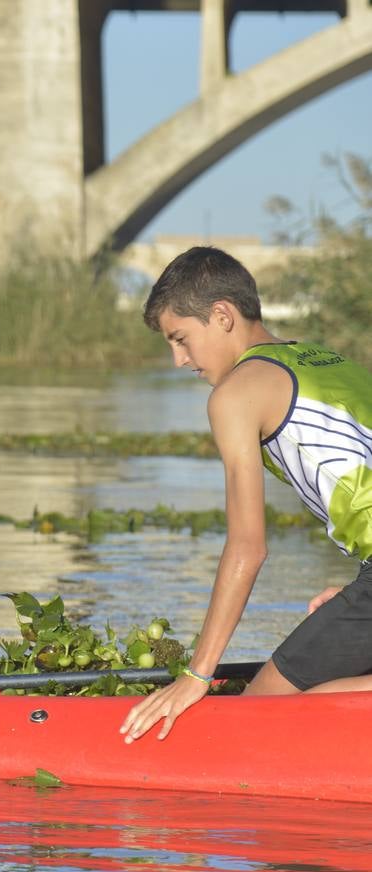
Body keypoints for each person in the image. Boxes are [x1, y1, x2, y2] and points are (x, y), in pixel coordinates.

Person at [120, 246, 372, 743]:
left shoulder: (236, 394)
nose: (179, 360)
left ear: (221, 315)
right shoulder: (327, 359)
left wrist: (196, 675)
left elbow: (248, 546)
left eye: (181, 339)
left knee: (255, 718)